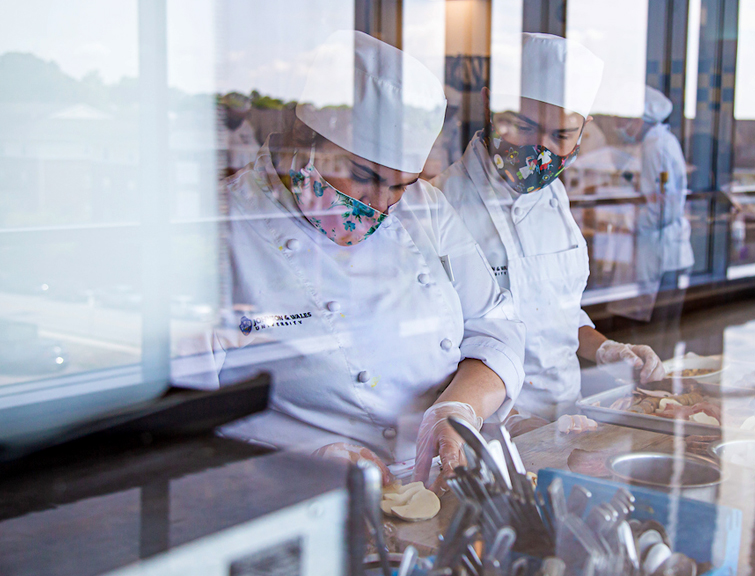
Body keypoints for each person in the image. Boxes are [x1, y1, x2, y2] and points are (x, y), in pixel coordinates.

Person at [172, 30, 526, 493]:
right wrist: (305, 456)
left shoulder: (426, 208)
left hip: (430, 483)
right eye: (362, 175)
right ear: (303, 136)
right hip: (287, 496)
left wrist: (457, 409)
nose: (380, 204)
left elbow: (495, 326)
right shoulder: (216, 228)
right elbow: (178, 420)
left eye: (399, 185)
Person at [433, 33, 666, 433]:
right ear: (490, 105)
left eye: (561, 135)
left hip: (569, 420)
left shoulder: (555, 196)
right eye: (524, 126)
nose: (540, 150)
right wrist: (516, 423)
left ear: (583, 130)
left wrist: (608, 350)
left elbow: (556, 310)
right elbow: (439, 347)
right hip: (486, 432)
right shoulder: (441, 203)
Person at [608, 85, 694, 322]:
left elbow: (662, 207)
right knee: (662, 330)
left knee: (659, 332)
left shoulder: (657, 147)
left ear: (638, 120)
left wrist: (632, 223)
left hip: (661, 252)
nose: (618, 127)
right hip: (662, 250)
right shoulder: (659, 142)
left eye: (621, 120)